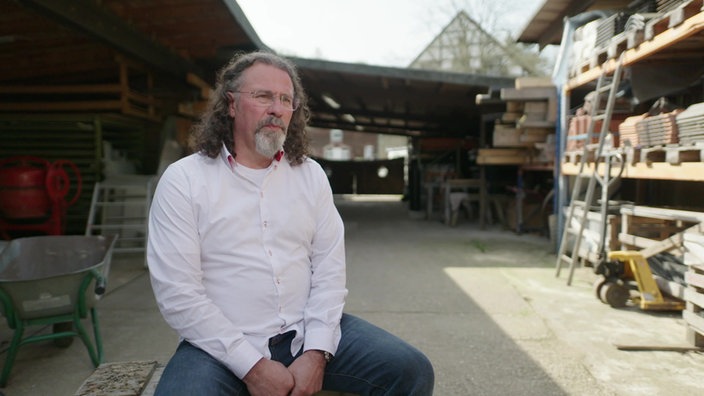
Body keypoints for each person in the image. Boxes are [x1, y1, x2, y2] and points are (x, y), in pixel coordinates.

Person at [147, 50, 434, 396]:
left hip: (304, 332)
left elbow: (329, 270)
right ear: (231, 104)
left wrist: (316, 353)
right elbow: (179, 294)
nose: (276, 108)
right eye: (263, 96)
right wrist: (252, 368)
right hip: (220, 346)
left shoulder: (309, 175)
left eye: (286, 99)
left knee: (412, 371)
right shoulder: (184, 180)